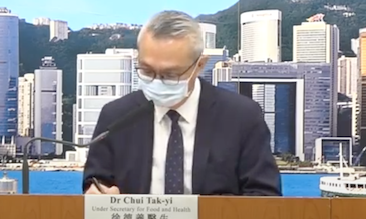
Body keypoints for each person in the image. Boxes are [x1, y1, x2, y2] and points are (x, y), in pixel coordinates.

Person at [82, 10, 281, 196]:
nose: (157, 81)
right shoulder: (116, 117)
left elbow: (264, 196)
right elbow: (96, 181)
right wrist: (98, 193)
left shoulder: (241, 117)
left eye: (170, 74)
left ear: (200, 65)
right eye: (147, 71)